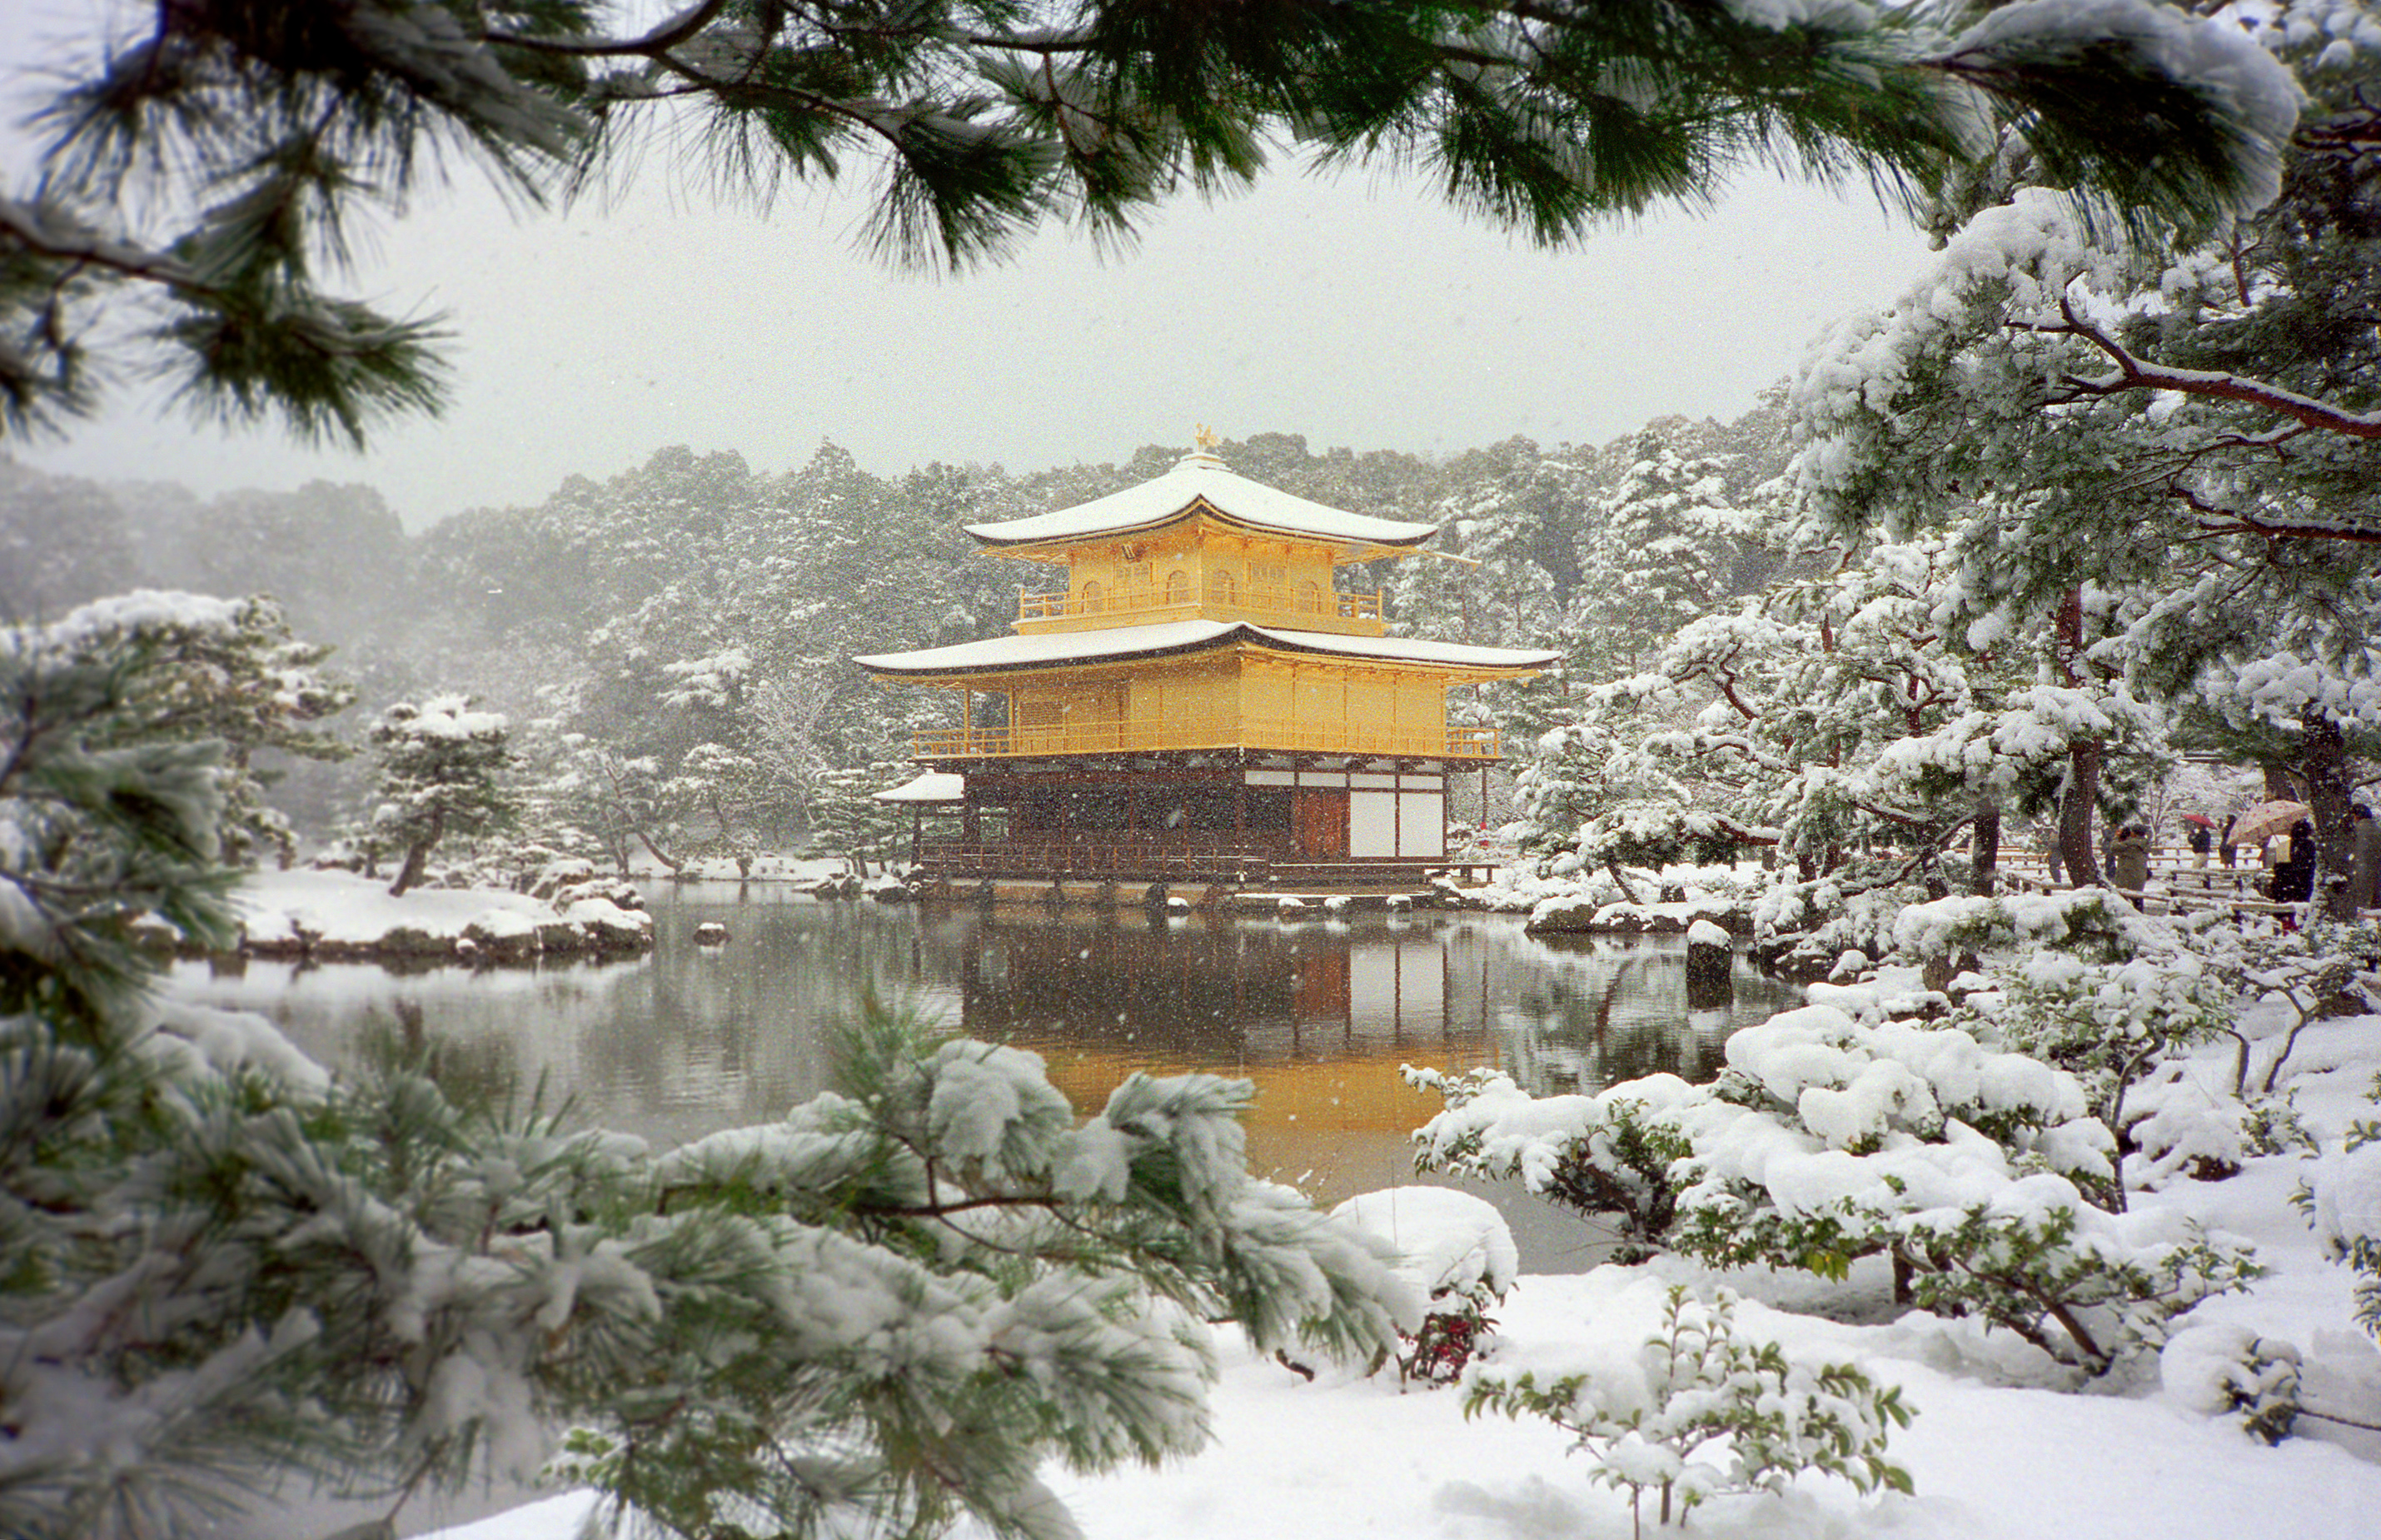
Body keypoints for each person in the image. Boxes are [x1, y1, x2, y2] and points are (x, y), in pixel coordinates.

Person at [2109, 822, 2151, 905]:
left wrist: (2116, 837)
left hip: (2126, 876)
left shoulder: (2130, 844)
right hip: (2140, 876)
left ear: (2135, 833)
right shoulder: (2145, 843)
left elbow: (2113, 848)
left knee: (2124, 900)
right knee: (2137, 899)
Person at [2353, 804, 2379, 913]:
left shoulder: (2353, 834)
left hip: (2359, 879)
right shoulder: (2378, 831)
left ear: (2355, 816)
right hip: (2378, 882)